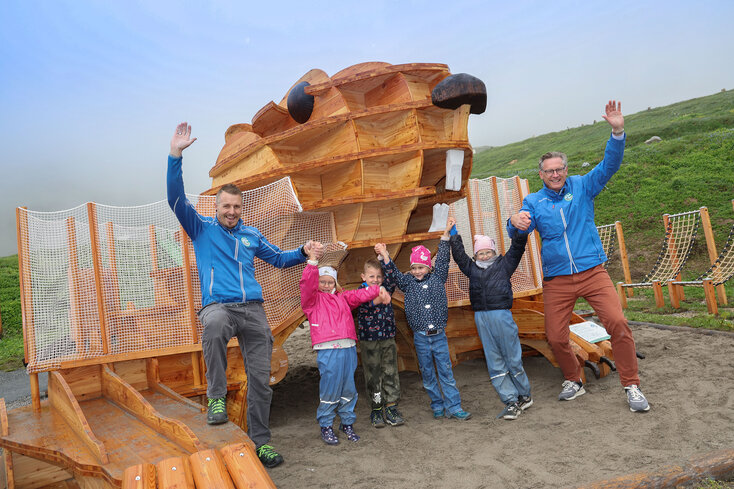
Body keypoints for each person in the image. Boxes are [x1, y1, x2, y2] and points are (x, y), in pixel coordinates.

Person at [167, 122, 322, 468]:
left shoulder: (251, 235)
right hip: (218, 306)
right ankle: (216, 398)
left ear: (241, 208)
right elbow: (176, 199)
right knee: (216, 323)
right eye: (226, 206)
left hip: (252, 310)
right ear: (216, 207)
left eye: (236, 207)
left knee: (262, 379)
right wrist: (175, 155)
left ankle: (261, 443)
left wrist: (303, 250)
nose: (231, 212)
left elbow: (280, 259)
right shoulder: (201, 229)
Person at [507, 101, 650, 413]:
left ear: (566, 170)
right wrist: (514, 223)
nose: (556, 174)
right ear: (541, 174)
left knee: (618, 323)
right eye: (549, 171)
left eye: (560, 169)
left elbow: (608, 166)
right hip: (557, 278)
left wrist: (617, 131)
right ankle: (574, 379)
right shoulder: (534, 200)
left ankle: (631, 385)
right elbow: (518, 225)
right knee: (555, 337)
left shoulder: (583, 186)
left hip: (592, 271)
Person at [375, 220, 472, 421]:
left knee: (446, 371)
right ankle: (437, 404)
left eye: (421, 267)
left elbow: (443, 259)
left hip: (439, 336)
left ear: (428, 266)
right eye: (414, 268)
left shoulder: (438, 278)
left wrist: (445, 235)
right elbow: (392, 273)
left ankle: (453, 406)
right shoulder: (407, 282)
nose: (417, 271)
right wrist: (385, 256)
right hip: (420, 337)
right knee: (427, 373)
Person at [299, 248, 389, 445]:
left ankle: (347, 422)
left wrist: (377, 289)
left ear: (335, 282)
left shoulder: (343, 297)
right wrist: (312, 264)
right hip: (328, 348)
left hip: (348, 346)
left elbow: (359, 296)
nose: (326, 284)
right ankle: (326, 424)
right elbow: (306, 285)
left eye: (330, 281)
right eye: (322, 281)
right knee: (330, 386)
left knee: (348, 386)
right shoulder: (312, 300)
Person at [448, 216, 532, 420]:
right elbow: (459, 256)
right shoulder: (472, 269)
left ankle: (525, 394)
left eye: (488, 252)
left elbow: (517, 248)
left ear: (494, 252)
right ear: (476, 255)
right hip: (481, 316)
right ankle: (510, 400)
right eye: (480, 253)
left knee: (511, 356)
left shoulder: (504, 265)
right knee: (494, 359)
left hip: (501, 313)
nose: (484, 256)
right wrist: (453, 233)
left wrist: (520, 230)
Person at [355, 258, 404, 428]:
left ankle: (391, 406)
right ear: (363, 277)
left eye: (378, 277)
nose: (375, 280)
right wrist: (380, 297)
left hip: (387, 337)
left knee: (390, 371)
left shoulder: (386, 287)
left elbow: (391, 275)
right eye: (371, 276)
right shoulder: (360, 292)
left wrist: (384, 256)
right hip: (369, 340)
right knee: (373, 375)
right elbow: (365, 305)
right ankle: (376, 408)